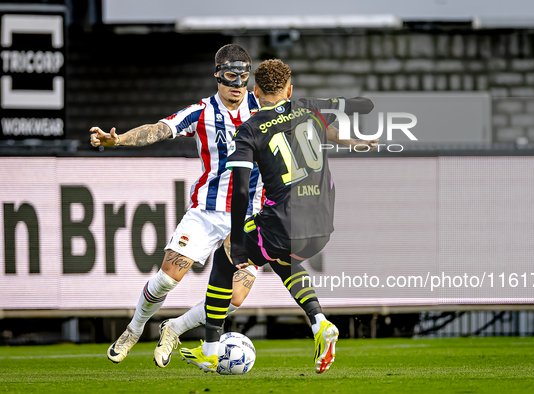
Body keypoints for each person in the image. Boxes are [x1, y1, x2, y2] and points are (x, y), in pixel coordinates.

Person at [179, 59, 374, 374]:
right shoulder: (310, 109)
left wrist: (239, 240)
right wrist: (348, 120)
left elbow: (241, 191)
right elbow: (364, 104)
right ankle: (319, 322)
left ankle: (211, 350)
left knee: (225, 255)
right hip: (322, 227)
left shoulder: (250, 130)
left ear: (255, 92)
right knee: (283, 258)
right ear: (290, 90)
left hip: (285, 223)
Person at [90, 44, 265, 368]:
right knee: (169, 278)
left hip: (249, 217)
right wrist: (119, 139)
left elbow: (303, 120)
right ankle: (134, 329)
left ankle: (175, 328)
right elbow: (158, 130)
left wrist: (349, 139)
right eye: (230, 76)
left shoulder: (264, 108)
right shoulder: (201, 112)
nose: (237, 85)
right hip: (207, 212)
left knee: (235, 298)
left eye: (243, 77)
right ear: (217, 75)